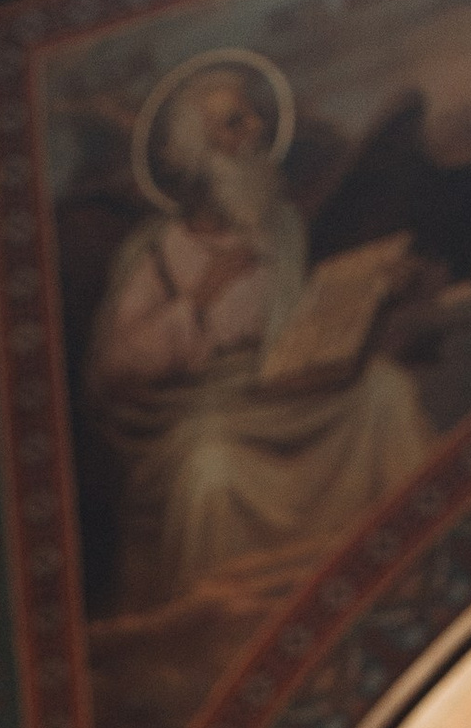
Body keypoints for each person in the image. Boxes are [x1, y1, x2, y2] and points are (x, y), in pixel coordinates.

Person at [85, 58, 427, 621]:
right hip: (198, 409)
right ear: (198, 150)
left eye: (253, 120)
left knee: (386, 391)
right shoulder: (157, 250)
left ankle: (410, 549)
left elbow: (295, 326)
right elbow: (116, 368)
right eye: (234, 124)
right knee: (210, 469)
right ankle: (231, 624)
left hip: (283, 389)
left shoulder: (282, 228)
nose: (256, 133)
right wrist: (197, 299)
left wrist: (368, 294)